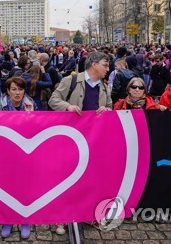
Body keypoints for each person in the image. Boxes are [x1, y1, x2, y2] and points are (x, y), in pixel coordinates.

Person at [48, 51, 112, 234]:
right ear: (93, 64)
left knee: (90, 179)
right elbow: (54, 100)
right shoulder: (72, 80)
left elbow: (109, 105)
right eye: (105, 65)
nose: (108, 69)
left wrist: (106, 109)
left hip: (93, 141)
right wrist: (68, 107)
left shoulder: (104, 86)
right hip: (70, 140)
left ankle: (89, 215)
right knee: (66, 178)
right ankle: (61, 218)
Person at [0, 76, 35, 239]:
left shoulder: (31, 104)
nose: (17, 93)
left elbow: (39, 127)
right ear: (8, 91)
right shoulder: (1, 106)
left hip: (26, 155)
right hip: (6, 155)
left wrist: (32, 115)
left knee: (25, 187)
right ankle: (9, 219)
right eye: (13, 89)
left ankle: (24, 219)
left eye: (20, 89)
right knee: (7, 187)